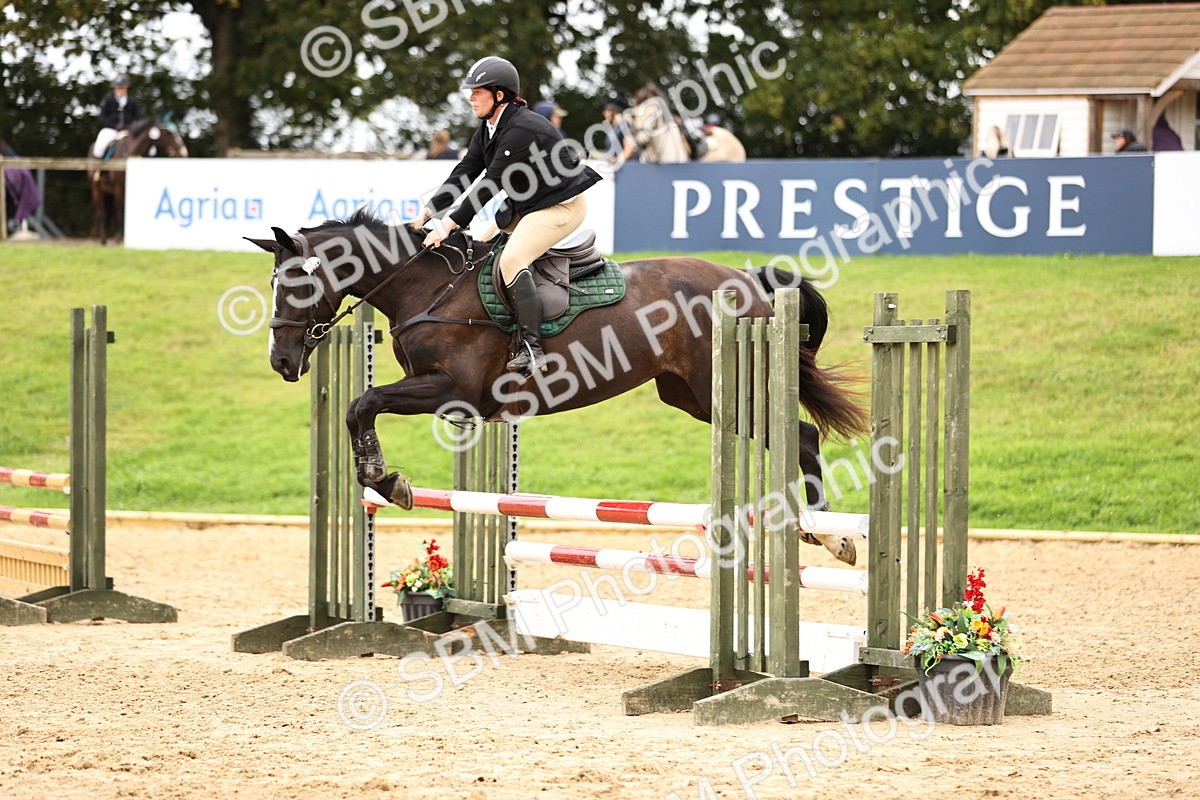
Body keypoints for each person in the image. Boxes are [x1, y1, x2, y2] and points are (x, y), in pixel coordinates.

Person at [413, 56, 602, 378]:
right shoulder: (488, 128)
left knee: (511, 260)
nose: (470, 97)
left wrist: (446, 226)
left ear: (499, 95)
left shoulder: (520, 128)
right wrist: (428, 212)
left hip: (561, 207)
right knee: (479, 247)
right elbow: (466, 172)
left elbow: (488, 185)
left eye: (477, 91)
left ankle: (532, 347)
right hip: (528, 205)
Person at [622, 84, 689, 164]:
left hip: (665, 123)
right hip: (644, 137)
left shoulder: (660, 107)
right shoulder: (638, 109)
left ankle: (693, 151)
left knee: (686, 134)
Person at [93, 75, 142, 158]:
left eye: (121, 88)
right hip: (111, 129)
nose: (119, 90)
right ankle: (99, 167)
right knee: (99, 148)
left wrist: (131, 127)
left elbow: (138, 117)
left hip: (128, 131)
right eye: (117, 88)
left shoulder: (132, 101)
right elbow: (102, 116)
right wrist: (114, 125)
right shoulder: (108, 100)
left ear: (126, 88)